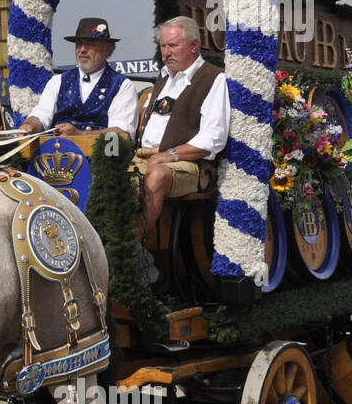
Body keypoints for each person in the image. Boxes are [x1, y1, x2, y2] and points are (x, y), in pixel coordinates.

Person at [133, 16, 231, 240]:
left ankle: (131, 253)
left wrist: (169, 155)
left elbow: (214, 138)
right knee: (106, 173)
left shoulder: (213, 78)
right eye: (163, 46)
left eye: (173, 46)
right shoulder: (163, 77)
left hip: (190, 163)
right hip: (145, 156)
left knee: (156, 176)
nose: (166, 52)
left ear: (194, 45)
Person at [19, 17, 138, 139]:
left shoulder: (122, 86)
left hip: (102, 156)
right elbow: (41, 116)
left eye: (90, 44)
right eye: (79, 44)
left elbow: (122, 134)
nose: (82, 50)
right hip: (57, 153)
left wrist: (81, 135)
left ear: (107, 49)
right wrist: (29, 125)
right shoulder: (57, 82)